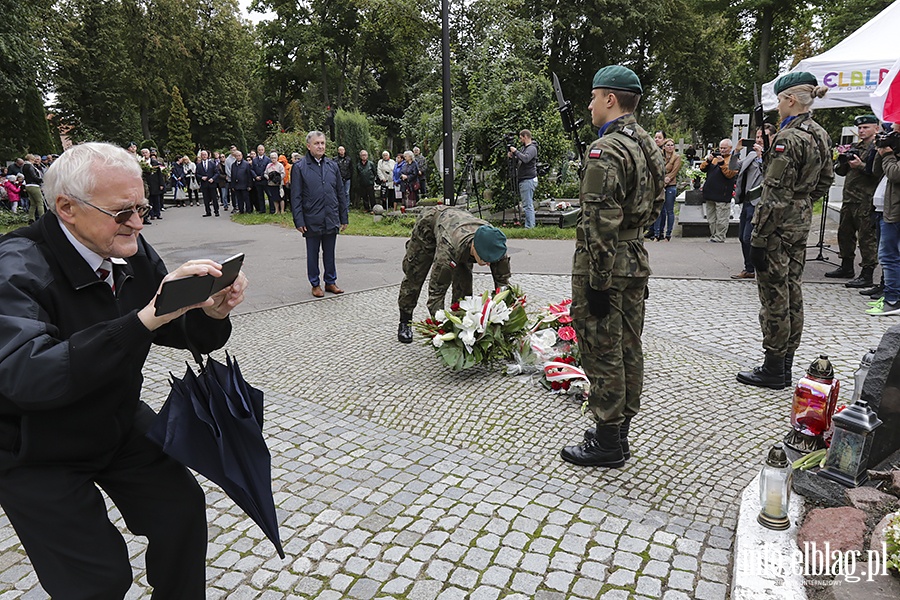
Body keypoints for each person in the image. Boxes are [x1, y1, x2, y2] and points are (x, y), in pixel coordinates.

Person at [0, 142, 247, 599]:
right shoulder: (14, 267)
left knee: (182, 511)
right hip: (33, 445)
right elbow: (28, 375)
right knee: (97, 580)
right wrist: (146, 317)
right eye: (123, 211)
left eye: (142, 206)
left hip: (113, 417)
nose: (138, 222)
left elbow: (165, 325)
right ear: (66, 208)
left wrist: (211, 312)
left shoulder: (124, 244)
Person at [558, 65, 665, 468]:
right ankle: (619, 434)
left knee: (602, 348)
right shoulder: (645, 144)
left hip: (606, 264)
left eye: (592, 96)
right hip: (635, 256)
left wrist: (598, 282)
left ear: (610, 99)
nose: (587, 105)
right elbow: (656, 201)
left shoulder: (606, 151)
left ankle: (606, 441)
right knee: (628, 346)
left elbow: (600, 221)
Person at [736, 71, 833, 389]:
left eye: (780, 100)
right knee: (792, 291)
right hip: (799, 218)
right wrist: (802, 201)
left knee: (775, 294)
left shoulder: (788, 138)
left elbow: (773, 193)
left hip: (778, 225)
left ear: (791, 99)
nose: (777, 107)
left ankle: (774, 368)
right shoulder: (819, 133)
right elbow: (825, 180)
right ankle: (786, 362)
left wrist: (759, 238)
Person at [396, 205, 510, 343]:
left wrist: (503, 322)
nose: (488, 264)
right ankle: (405, 321)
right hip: (429, 226)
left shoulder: (496, 245)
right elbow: (436, 293)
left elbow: (503, 286)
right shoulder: (448, 249)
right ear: (474, 246)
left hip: (461, 229)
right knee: (415, 273)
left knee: (464, 280)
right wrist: (441, 330)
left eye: (491, 260)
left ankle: (461, 322)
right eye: (485, 259)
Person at [825, 115, 882, 288]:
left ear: (876, 128)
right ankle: (846, 266)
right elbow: (841, 173)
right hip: (849, 198)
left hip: (866, 199)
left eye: (866, 127)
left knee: (866, 238)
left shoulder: (878, 148)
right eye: (860, 128)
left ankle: (867, 273)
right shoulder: (855, 147)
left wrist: (861, 166)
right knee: (845, 234)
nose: (862, 131)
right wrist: (842, 160)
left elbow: (878, 172)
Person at [291, 131, 349, 298]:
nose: (320, 146)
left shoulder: (332, 166)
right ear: (308, 146)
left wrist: (343, 217)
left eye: (322, 143)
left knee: (330, 252)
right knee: (313, 253)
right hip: (311, 218)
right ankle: (315, 284)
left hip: (331, 216)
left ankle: (330, 281)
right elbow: (295, 196)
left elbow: (340, 192)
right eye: (317, 143)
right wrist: (299, 220)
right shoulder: (300, 167)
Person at [732, 124, 777, 279]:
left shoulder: (773, 155)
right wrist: (736, 151)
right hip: (746, 200)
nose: (759, 139)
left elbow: (770, 175)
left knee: (749, 237)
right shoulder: (751, 154)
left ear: (771, 137)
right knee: (742, 237)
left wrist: (761, 157)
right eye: (757, 136)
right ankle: (749, 268)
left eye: (762, 136)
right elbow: (734, 167)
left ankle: (759, 267)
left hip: (760, 201)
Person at [867, 122, 900, 315]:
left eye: (896, 126)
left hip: (895, 211)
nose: (894, 130)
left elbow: (895, 174)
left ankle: (893, 300)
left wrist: (888, 154)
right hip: (886, 209)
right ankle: (890, 295)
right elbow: (877, 172)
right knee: (888, 256)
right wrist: (882, 150)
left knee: (890, 257)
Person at [699, 139, 738, 243]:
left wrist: (722, 163)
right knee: (711, 219)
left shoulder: (733, 159)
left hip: (723, 194)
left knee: (722, 219)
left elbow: (730, 174)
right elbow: (702, 169)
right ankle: (713, 235)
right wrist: (708, 160)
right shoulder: (714, 159)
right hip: (710, 193)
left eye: (725, 148)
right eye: (720, 148)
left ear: (730, 149)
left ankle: (719, 237)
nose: (722, 150)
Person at [649, 138, 682, 241]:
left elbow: (674, 171)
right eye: (668, 145)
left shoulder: (676, 157)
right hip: (659, 185)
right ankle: (657, 234)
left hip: (670, 185)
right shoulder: (659, 156)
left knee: (669, 210)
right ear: (663, 147)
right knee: (659, 209)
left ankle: (668, 234)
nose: (670, 147)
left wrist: (666, 180)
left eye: (672, 145)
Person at [507, 130, 538, 229]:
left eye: (521, 138)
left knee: (527, 205)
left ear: (525, 137)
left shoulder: (532, 148)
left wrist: (515, 151)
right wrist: (513, 156)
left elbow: (526, 159)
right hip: (524, 179)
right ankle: (529, 225)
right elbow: (520, 160)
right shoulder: (524, 148)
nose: (520, 140)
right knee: (527, 204)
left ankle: (530, 227)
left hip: (528, 179)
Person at [21, 154, 46, 223]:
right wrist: (41, 180)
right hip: (34, 185)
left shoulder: (24, 166)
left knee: (33, 204)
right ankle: (42, 218)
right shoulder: (30, 166)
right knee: (40, 203)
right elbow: (33, 176)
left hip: (28, 185)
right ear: (31, 159)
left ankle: (31, 218)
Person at [229, 150, 253, 215]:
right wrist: (232, 185)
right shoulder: (233, 165)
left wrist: (250, 185)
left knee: (246, 199)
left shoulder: (246, 164)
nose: (238, 157)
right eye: (237, 156)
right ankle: (241, 211)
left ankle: (248, 211)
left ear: (242, 156)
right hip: (237, 185)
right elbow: (232, 176)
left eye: (239, 155)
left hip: (245, 185)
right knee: (239, 199)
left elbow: (249, 175)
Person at [197, 150, 219, 217]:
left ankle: (216, 211)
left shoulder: (212, 163)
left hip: (212, 183)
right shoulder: (199, 165)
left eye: (205, 154)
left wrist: (213, 178)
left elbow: (217, 173)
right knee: (206, 199)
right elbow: (197, 174)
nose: (204, 156)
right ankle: (208, 212)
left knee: (214, 198)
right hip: (204, 184)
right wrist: (201, 177)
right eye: (202, 155)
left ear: (207, 155)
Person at [251, 145, 270, 214]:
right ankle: (262, 210)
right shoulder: (254, 160)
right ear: (257, 151)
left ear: (264, 150)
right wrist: (255, 176)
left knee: (269, 195)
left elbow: (267, 169)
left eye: (262, 150)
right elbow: (252, 169)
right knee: (260, 196)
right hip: (257, 181)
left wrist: (261, 176)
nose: (260, 151)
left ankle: (272, 209)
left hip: (264, 180)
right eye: (259, 150)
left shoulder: (267, 159)